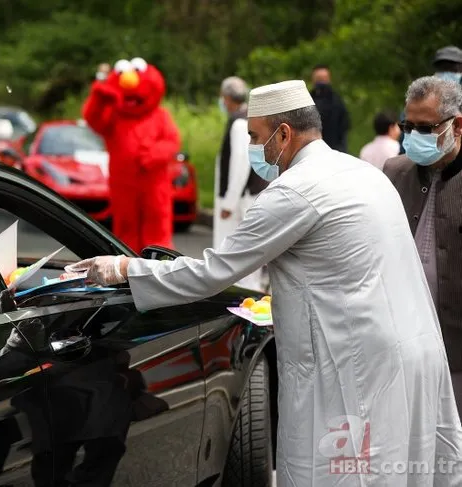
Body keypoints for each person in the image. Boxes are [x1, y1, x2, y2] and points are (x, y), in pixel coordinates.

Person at [67, 79, 462, 486]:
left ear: (284, 133)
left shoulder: (294, 191)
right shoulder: (362, 173)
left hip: (355, 369)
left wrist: (124, 270)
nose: (255, 148)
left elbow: (211, 272)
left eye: (256, 137)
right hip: (411, 355)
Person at [382, 76, 462, 419]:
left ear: (457, 125)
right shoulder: (394, 173)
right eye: (408, 126)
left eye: (426, 128)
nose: (414, 137)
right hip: (403, 343)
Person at [82, 58, 180, 252]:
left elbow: (172, 142)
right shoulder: (114, 116)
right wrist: (99, 98)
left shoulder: (160, 116)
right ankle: (127, 259)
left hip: (154, 184)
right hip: (123, 185)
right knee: (125, 225)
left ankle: (159, 259)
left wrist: (152, 155)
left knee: (156, 222)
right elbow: (93, 120)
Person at [214, 76, 268, 291]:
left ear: (227, 98)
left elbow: (241, 163)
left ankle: (243, 295)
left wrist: (229, 202)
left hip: (240, 200)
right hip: (245, 196)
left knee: (236, 252)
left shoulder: (239, 122)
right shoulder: (246, 118)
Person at [399, 45, 462, 154]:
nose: (447, 73)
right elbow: (405, 140)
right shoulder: (420, 98)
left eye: (453, 68)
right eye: (442, 68)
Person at [310, 64, 350, 152]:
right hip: (313, 151)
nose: (321, 82)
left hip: (334, 150)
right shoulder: (308, 100)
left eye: (323, 79)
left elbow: (344, 125)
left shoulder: (337, 101)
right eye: (319, 79)